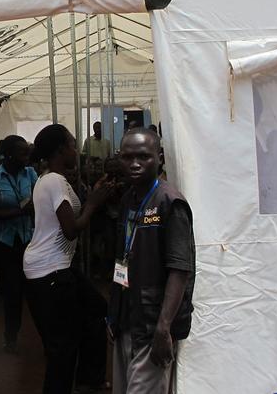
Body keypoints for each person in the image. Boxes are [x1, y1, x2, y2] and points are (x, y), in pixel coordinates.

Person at [23, 124, 112, 394]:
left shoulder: (51, 180)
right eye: (73, 145)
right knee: (62, 347)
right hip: (50, 270)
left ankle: (89, 378)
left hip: (55, 266)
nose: (77, 151)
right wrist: (93, 204)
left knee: (95, 310)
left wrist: (93, 196)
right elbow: (71, 229)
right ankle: (78, 382)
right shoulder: (53, 181)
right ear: (61, 150)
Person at [109, 128, 195, 394]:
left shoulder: (170, 203)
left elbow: (180, 269)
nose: (134, 164)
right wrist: (113, 314)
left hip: (152, 325)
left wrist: (164, 328)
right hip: (127, 319)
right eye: (127, 157)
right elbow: (122, 258)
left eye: (143, 157)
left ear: (159, 158)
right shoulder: (128, 200)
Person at [0, 135, 38, 352]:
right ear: (9, 154)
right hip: (5, 242)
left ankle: (42, 335)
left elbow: (38, 202)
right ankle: (11, 337)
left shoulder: (30, 174)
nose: (26, 156)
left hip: (29, 240)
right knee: (12, 292)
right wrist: (22, 210)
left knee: (34, 291)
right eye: (22, 152)